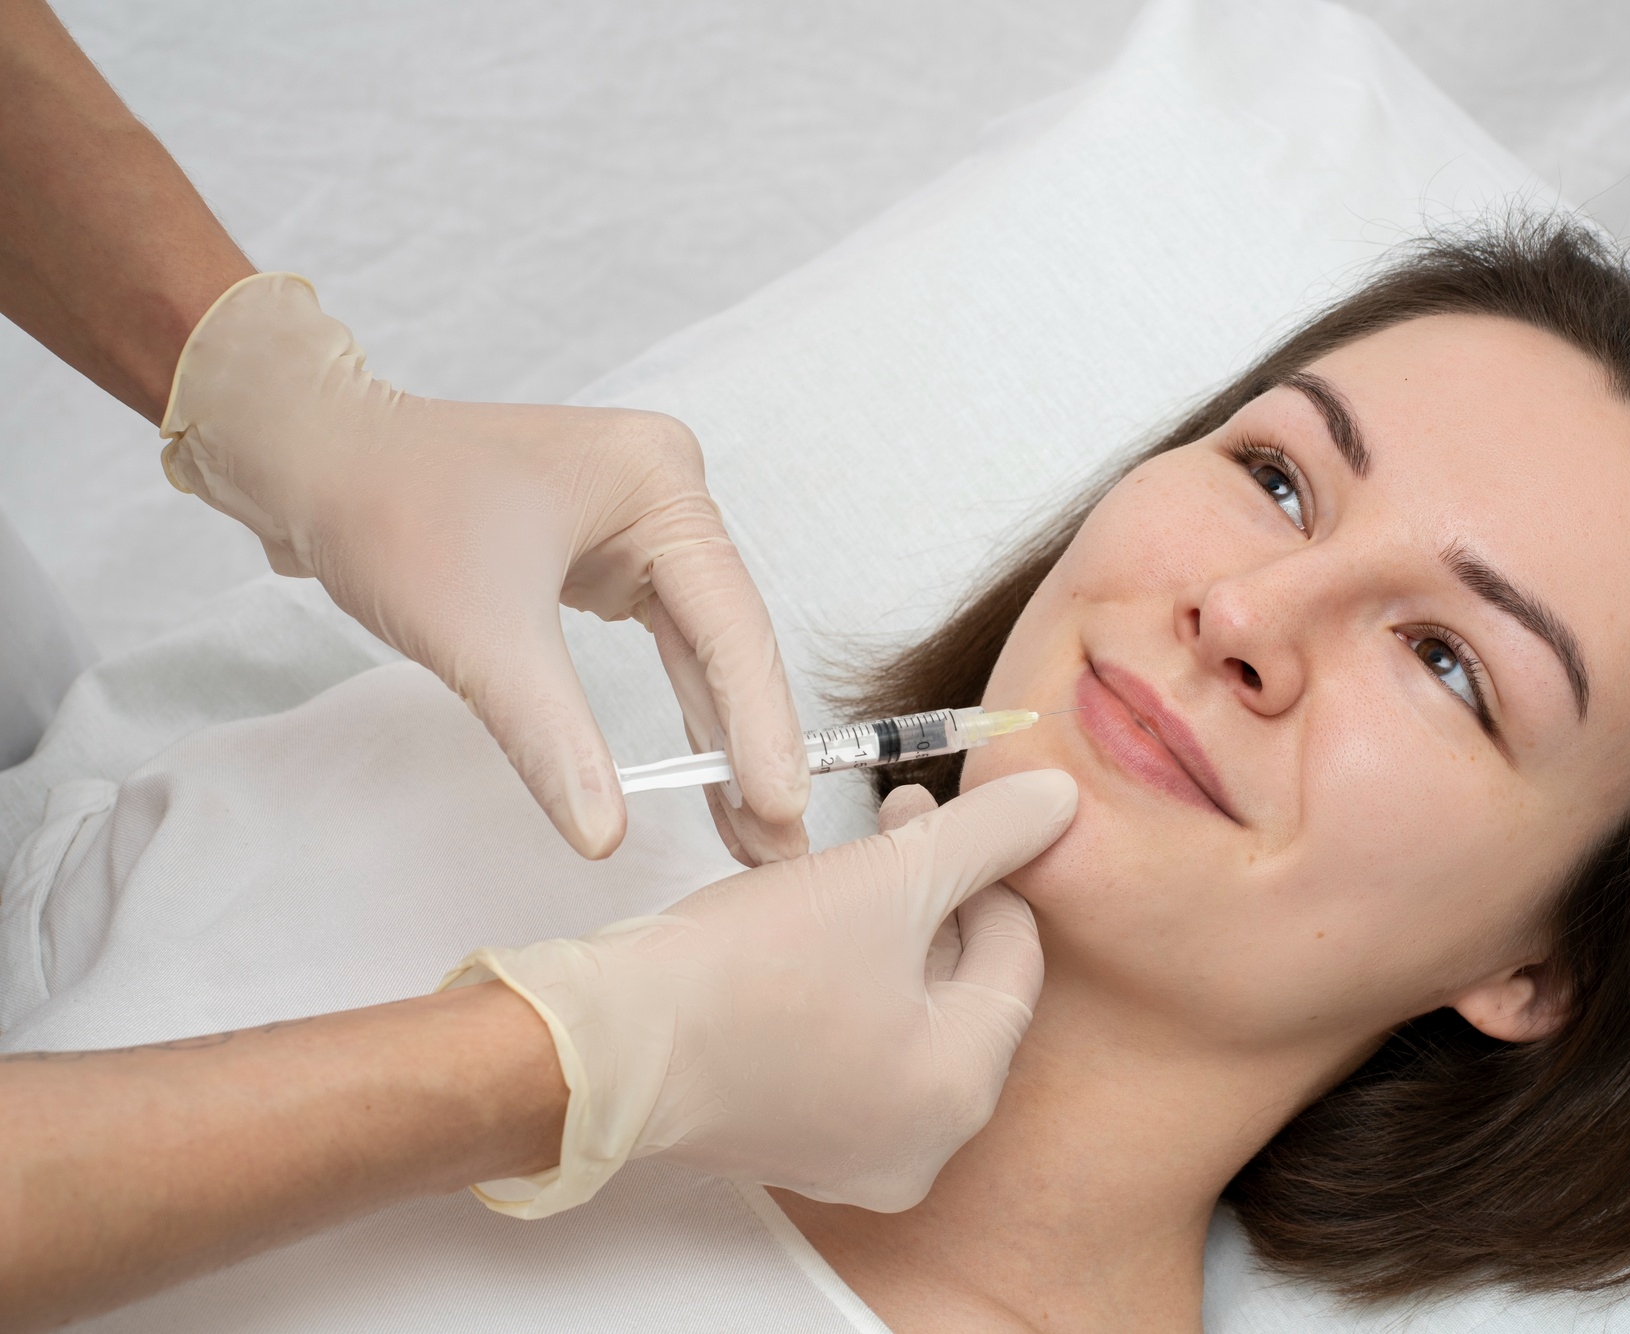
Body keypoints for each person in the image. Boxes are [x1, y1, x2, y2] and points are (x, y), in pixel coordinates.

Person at [2, 220, 1630, 1331]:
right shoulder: (477, 766)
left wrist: (561, 1069)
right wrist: (279, 399)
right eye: (1276, 473)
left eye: (1449, 661)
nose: (1250, 608)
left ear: (1546, 971)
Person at [0, 2, 1077, 1326]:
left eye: (1423, 654)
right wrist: (564, 1061)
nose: (1249, 621)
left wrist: (273, 393)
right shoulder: (411, 797)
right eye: (1276, 479)